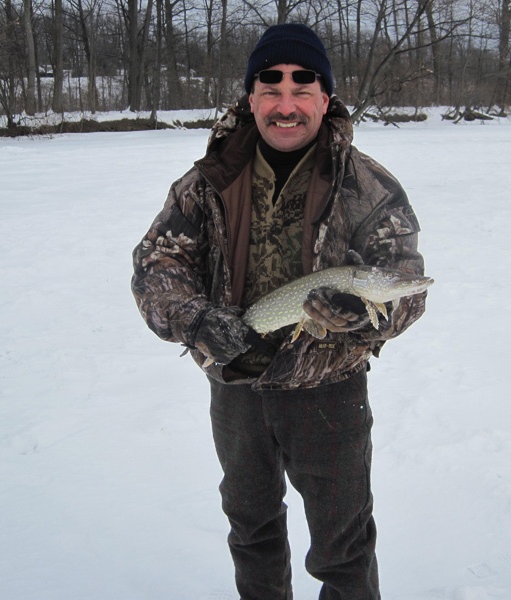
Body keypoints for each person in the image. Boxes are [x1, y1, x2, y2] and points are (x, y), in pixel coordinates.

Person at [131, 23, 427, 600]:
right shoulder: (207, 181)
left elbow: (406, 289)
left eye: (301, 87)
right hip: (236, 387)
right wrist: (195, 319)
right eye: (271, 88)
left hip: (328, 395)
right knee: (253, 533)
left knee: (343, 551)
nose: (285, 105)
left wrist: (362, 317)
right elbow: (157, 265)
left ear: (325, 98)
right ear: (251, 98)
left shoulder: (368, 186)